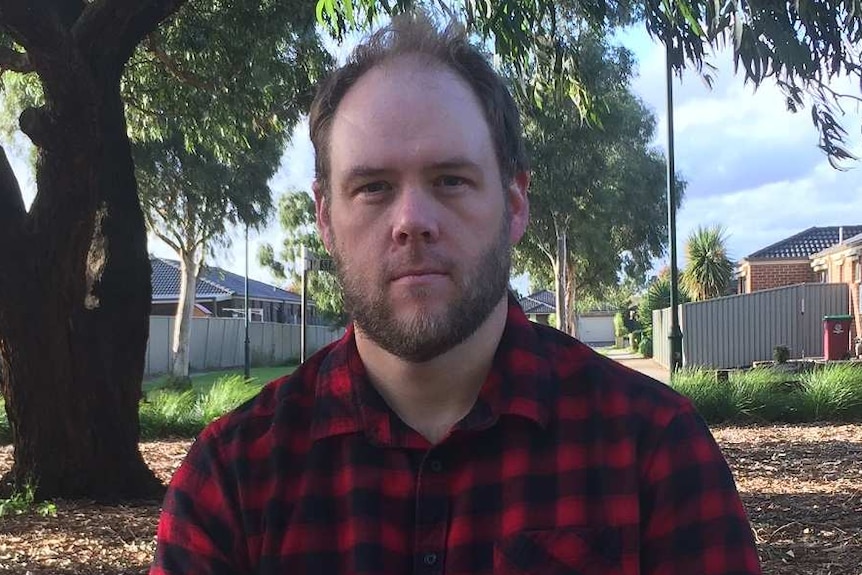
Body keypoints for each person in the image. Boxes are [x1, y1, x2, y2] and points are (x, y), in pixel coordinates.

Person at [150, 13, 762, 575]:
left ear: (515, 204)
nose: (412, 219)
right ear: (325, 217)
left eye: (451, 180)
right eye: (372, 187)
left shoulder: (654, 452)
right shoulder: (231, 481)